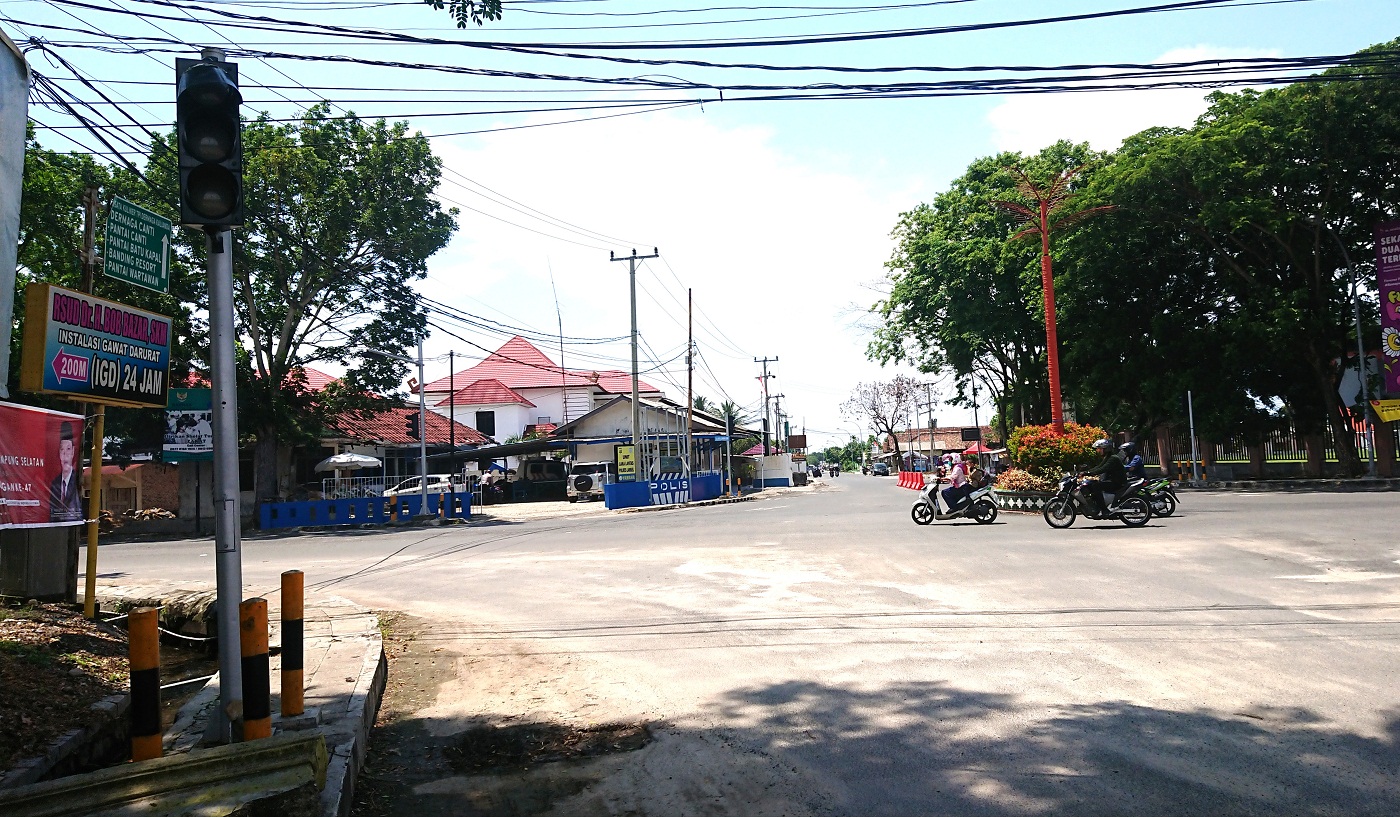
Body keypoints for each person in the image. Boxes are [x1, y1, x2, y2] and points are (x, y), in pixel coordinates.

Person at [50, 422, 84, 522]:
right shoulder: (54, 484)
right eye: (62, 449)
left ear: (73, 451)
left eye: (68, 449)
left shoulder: (77, 480)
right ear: (59, 453)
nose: (65, 454)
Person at [1082, 439, 1126, 515]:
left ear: (1105, 449)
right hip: (1112, 481)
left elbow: (1103, 469)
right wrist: (1086, 472)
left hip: (1117, 482)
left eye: (1100, 449)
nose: (1098, 451)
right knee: (1092, 484)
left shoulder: (1113, 458)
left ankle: (1104, 509)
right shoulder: (1108, 457)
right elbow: (1099, 467)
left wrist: (1088, 473)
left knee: (1096, 486)